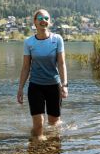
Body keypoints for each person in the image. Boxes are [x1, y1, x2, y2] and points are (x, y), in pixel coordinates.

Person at [17, 9, 68, 141]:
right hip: (35, 87)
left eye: (46, 18)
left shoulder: (57, 39)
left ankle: (53, 148)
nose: (43, 21)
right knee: (39, 125)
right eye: (40, 18)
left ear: (49, 22)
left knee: (54, 123)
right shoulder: (29, 42)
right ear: (35, 22)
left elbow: (62, 64)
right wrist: (20, 88)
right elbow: (25, 67)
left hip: (53, 86)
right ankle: (38, 149)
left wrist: (64, 85)